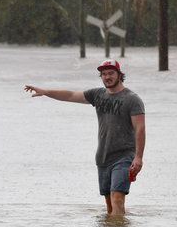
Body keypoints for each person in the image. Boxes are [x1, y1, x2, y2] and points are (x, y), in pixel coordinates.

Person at [25, 59, 145, 215]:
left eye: (111, 73)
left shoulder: (132, 99)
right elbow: (70, 95)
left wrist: (138, 157)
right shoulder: (98, 95)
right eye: (104, 74)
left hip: (124, 157)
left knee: (117, 199)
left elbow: (140, 128)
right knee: (109, 207)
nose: (107, 77)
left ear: (119, 75)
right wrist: (46, 92)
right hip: (102, 157)